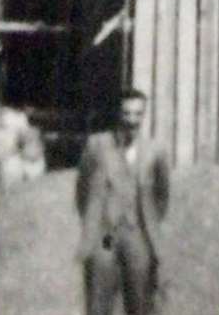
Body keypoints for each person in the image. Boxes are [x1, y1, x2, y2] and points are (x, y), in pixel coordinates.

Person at [74, 88, 170, 315]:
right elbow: (82, 191)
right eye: (127, 114)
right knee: (100, 300)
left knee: (141, 302)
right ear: (117, 114)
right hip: (106, 235)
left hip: (137, 233)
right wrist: (97, 225)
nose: (132, 120)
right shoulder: (97, 145)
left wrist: (147, 224)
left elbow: (162, 196)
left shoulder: (155, 150)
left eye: (138, 114)